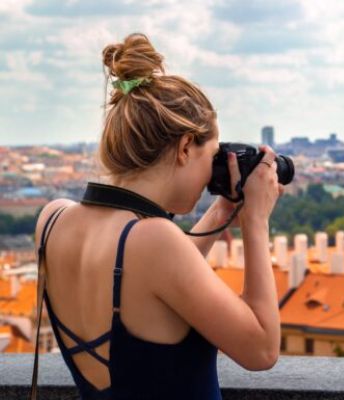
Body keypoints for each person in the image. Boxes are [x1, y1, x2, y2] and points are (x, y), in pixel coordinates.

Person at [34, 33, 281, 400]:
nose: (209, 172)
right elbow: (261, 349)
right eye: (209, 155)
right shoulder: (154, 241)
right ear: (184, 147)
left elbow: (156, 283)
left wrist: (224, 209)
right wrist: (256, 222)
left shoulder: (52, 220)